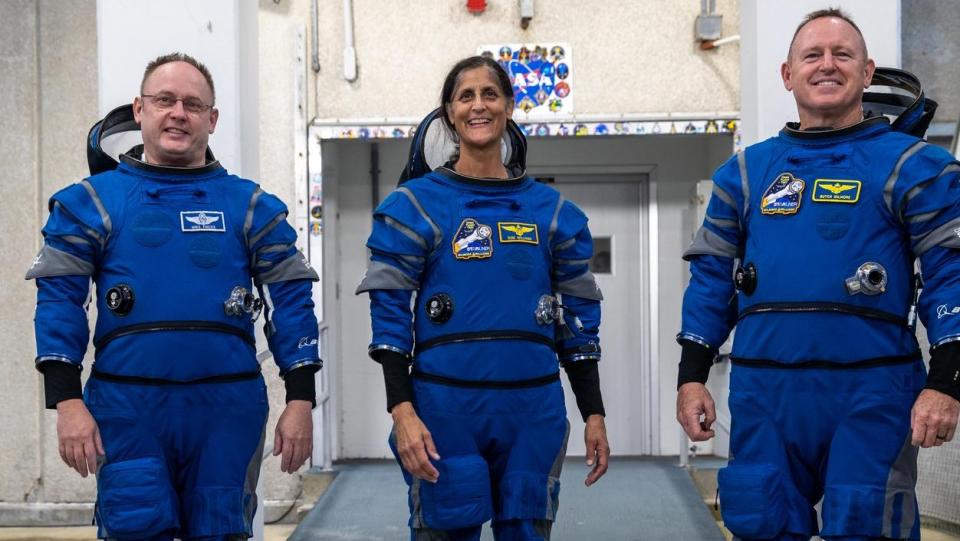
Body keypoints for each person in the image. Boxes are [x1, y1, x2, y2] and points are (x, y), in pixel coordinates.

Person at [676, 9, 960, 541]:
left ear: (867, 71)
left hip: (873, 390)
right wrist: (691, 376)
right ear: (788, 74)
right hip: (765, 391)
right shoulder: (745, 173)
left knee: (867, 525)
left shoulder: (913, 166)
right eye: (812, 55)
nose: (827, 65)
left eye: (842, 54)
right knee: (762, 522)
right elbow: (712, 280)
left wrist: (946, 382)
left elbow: (952, 275)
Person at [26, 52, 321, 541]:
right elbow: (59, 301)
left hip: (227, 410)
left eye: (192, 103)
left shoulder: (251, 207)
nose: (178, 113)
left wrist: (301, 400)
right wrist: (66, 401)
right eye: (164, 100)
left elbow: (291, 304)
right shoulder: (90, 203)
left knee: (221, 531)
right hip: (127, 408)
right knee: (137, 529)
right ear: (139, 110)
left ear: (212, 119)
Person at [356, 55, 610, 541]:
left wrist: (593, 413)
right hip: (443, 410)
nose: (478, 105)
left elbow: (578, 326)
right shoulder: (414, 206)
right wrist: (402, 412)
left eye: (490, 94)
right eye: (465, 96)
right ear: (449, 112)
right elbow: (388, 319)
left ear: (510, 106)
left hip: (532, 412)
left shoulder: (553, 213)